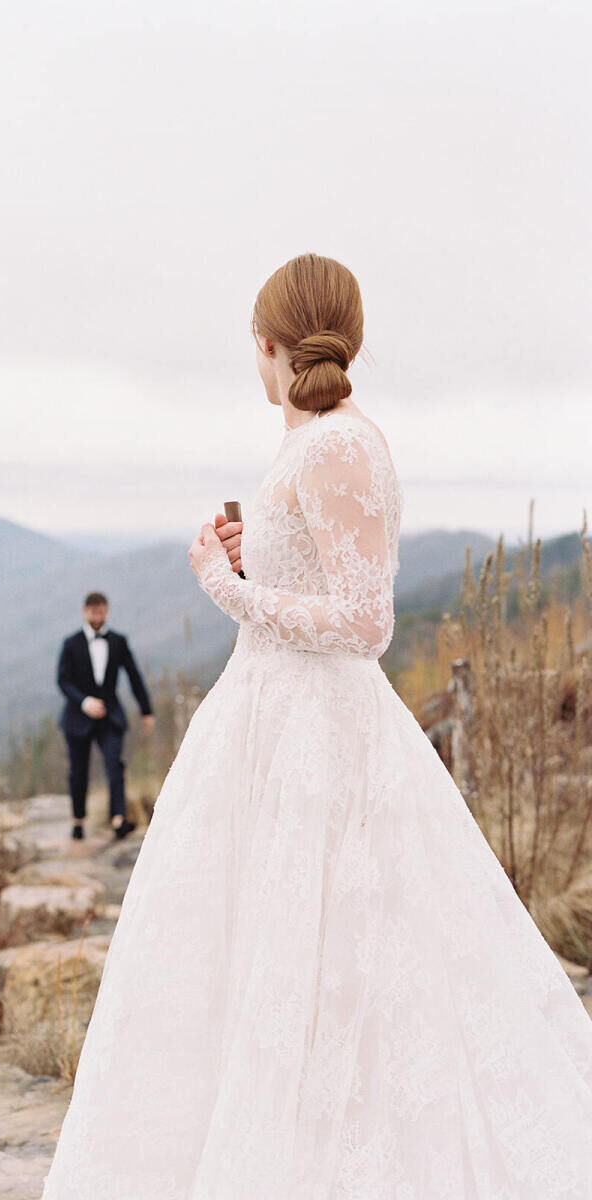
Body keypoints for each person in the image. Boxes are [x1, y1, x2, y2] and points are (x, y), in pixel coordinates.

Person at [41, 255, 592, 1197]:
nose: (251, 365)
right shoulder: (313, 443)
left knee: (333, 951)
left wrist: (223, 587)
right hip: (269, 719)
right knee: (256, 950)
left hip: (319, 731)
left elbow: (366, 622)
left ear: (270, 342)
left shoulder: (339, 442)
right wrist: (259, 557)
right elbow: (321, 571)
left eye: (252, 347)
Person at [56, 590, 155, 840]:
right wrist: (84, 702)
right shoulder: (71, 643)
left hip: (110, 716)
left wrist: (146, 710)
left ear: (107, 611)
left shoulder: (118, 642)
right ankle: (78, 820)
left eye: (101, 611)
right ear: (85, 612)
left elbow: (134, 676)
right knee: (78, 771)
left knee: (115, 765)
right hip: (78, 718)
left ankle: (119, 819)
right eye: (93, 611)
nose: (97, 616)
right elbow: (63, 681)